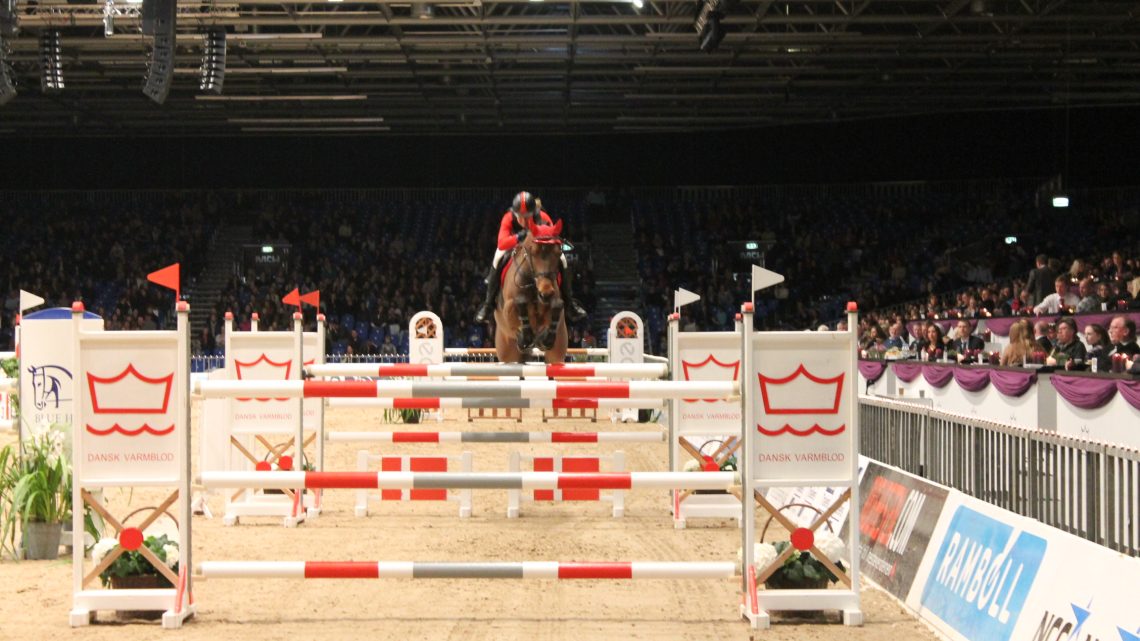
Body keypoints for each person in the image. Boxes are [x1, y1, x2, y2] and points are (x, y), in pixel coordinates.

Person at [474, 191, 587, 324]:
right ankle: (488, 305)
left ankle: (570, 303)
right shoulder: (508, 217)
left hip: (538, 248)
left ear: (533, 212)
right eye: (519, 216)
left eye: (527, 216)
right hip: (515, 244)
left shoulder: (542, 217)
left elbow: (552, 235)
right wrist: (519, 236)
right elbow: (502, 242)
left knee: (563, 259)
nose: (523, 221)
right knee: (498, 257)